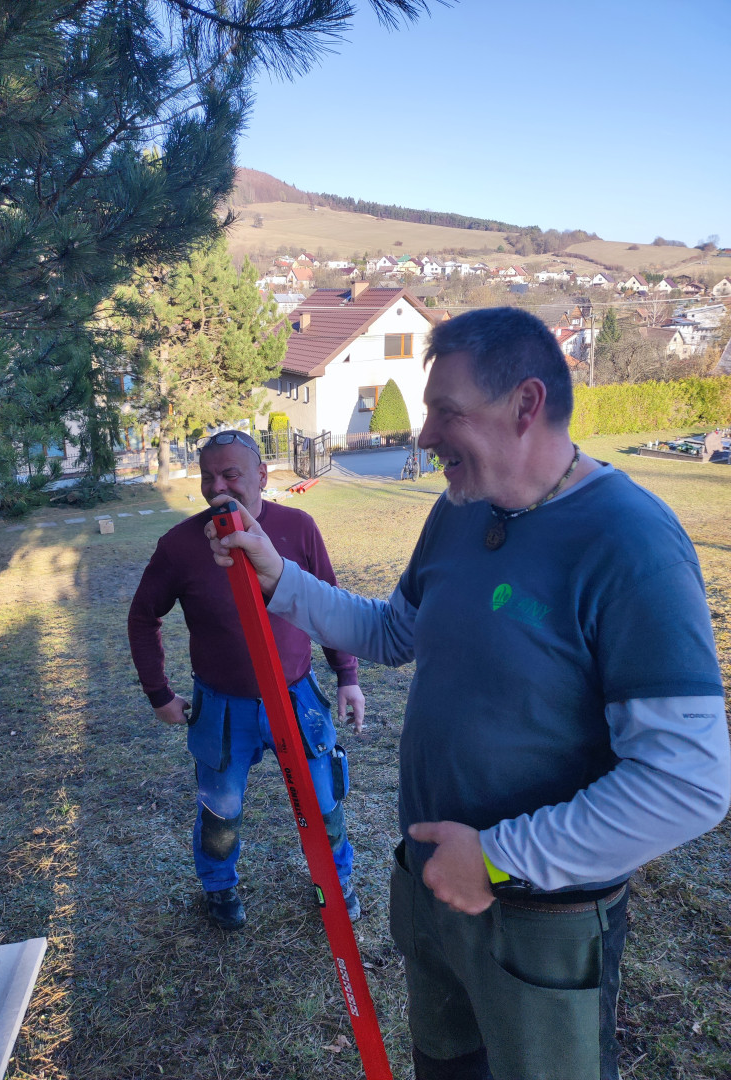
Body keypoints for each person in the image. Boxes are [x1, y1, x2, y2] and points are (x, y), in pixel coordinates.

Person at [205, 309, 730, 1080]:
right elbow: (393, 631)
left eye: (445, 411)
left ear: (525, 404)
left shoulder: (631, 542)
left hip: (539, 918)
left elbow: (688, 782)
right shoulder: (458, 511)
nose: (423, 435)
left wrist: (495, 858)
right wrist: (278, 576)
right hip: (432, 887)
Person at [128, 430, 365, 931]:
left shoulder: (298, 528)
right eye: (208, 476)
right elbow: (143, 616)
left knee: (324, 801)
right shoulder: (180, 545)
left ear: (261, 474)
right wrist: (159, 693)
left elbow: (330, 604)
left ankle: (336, 881)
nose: (217, 486)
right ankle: (219, 887)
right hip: (222, 707)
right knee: (221, 811)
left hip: (297, 697)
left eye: (230, 474)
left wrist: (346, 675)